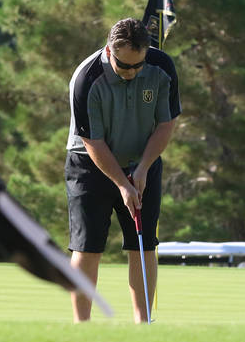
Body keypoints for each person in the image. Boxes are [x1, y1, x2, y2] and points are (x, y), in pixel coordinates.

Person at [66, 18, 180, 323]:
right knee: (88, 246)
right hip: (91, 163)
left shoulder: (161, 67)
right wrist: (123, 184)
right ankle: (82, 327)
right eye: (124, 65)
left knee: (142, 245)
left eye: (138, 66)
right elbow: (92, 141)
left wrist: (142, 168)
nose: (131, 73)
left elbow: (166, 123)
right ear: (109, 50)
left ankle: (143, 324)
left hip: (143, 159)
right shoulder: (86, 78)